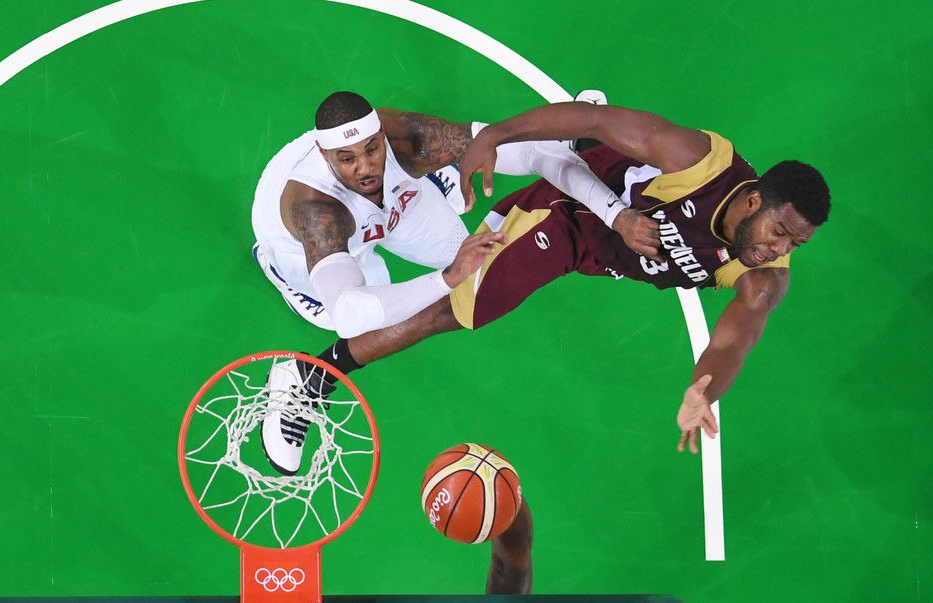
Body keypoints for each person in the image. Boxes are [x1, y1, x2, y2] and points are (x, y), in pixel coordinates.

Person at [306, 95, 831, 455]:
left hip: (604, 254)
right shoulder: (700, 164)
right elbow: (595, 119)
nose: (778, 250)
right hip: (572, 216)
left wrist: (703, 390)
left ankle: (573, 153)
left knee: (465, 287)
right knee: (460, 307)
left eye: (794, 245)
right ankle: (319, 372)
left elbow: (734, 339)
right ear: (754, 200)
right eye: (778, 232)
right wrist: (495, 136)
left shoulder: (765, 276)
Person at [253, 90, 651, 473]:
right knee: (364, 316)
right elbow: (348, 313)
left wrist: (610, 207)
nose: (365, 168)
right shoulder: (314, 209)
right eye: (348, 158)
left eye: (372, 149)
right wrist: (445, 280)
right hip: (302, 246)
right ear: (325, 154)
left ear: (381, 135)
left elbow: (533, 152)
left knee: (465, 258)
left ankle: (435, 170)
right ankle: (294, 356)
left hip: (394, 205)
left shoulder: (406, 138)